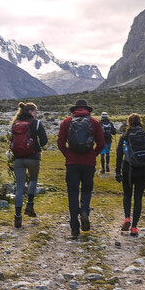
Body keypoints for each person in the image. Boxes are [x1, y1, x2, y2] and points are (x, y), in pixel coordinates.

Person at [57, 99, 105, 239]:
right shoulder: (94, 122)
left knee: (72, 193)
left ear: (74, 110)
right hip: (88, 163)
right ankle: (84, 211)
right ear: (87, 110)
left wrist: (68, 155)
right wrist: (92, 155)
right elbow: (101, 143)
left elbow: (60, 142)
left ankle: (74, 228)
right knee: (86, 189)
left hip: (72, 163)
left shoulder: (66, 122)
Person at [115, 113, 145, 237]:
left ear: (129, 123)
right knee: (138, 197)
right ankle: (134, 227)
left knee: (127, 195)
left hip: (129, 170)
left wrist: (118, 171)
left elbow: (119, 155)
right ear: (140, 123)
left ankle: (127, 218)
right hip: (143, 170)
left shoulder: (125, 137)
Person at [9, 102, 48, 229]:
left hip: (17, 159)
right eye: (36, 112)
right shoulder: (36, 123)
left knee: (19, 187)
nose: (37, 115)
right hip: (33, 157)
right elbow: (44, 140)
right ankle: (30, 205)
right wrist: (37, 146)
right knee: (33, 180)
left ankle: (17, 217)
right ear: (31, 111)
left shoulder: (16, 123)